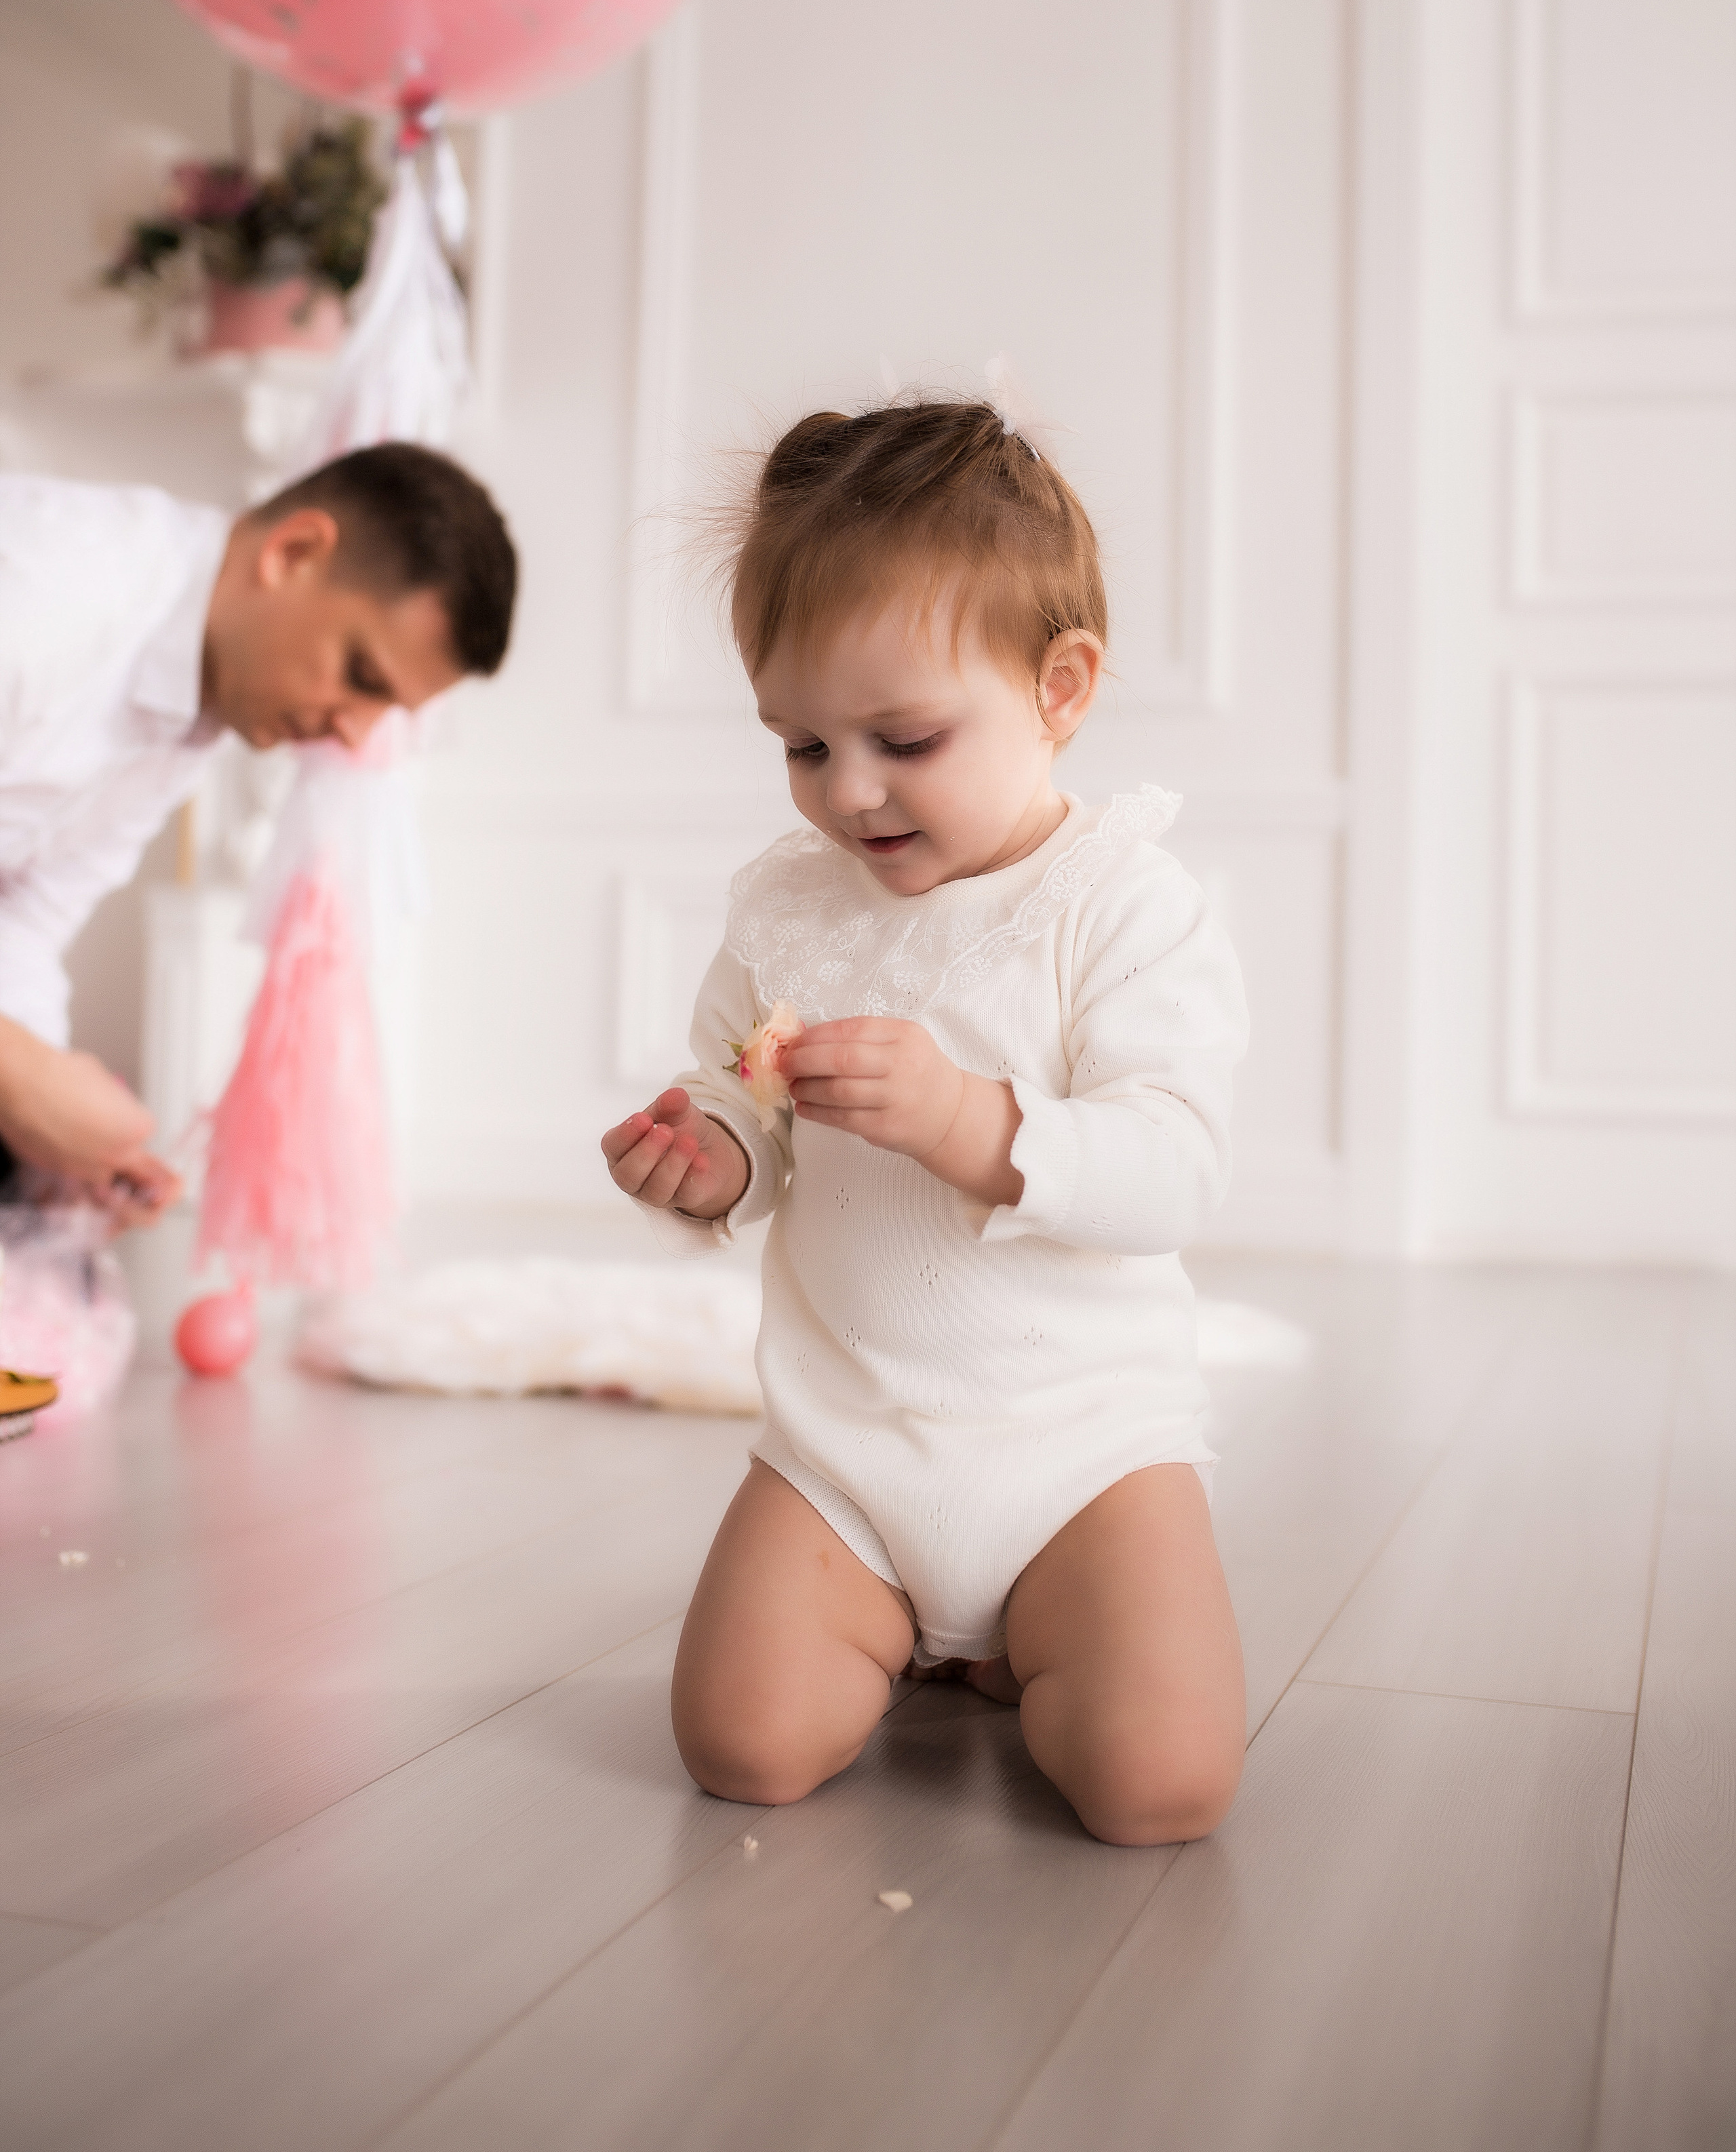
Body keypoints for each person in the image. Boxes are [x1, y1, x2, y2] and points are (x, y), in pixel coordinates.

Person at [601, 401, 1249, 1848]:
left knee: (1160, 1784)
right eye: (801, 744)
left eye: (901, 737)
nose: (848, 792)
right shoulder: (788, 903)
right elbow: (741, 1098)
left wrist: (969, 1118)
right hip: (845, 1450)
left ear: (1058, 686)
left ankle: (1032, 1636)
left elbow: (1173, 1168)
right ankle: (905, 1624)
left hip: (1084, 1453)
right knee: (741, 1747)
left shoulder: (1120, 905)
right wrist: (706, 1157)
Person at [0, 443, 517, 1222]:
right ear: (293, 554)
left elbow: (25, 924)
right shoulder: (49, 596)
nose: (351, 732)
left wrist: (56, 1142)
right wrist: (20, 1078)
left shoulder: (191, 711)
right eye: (362, 676)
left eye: (385, 710)